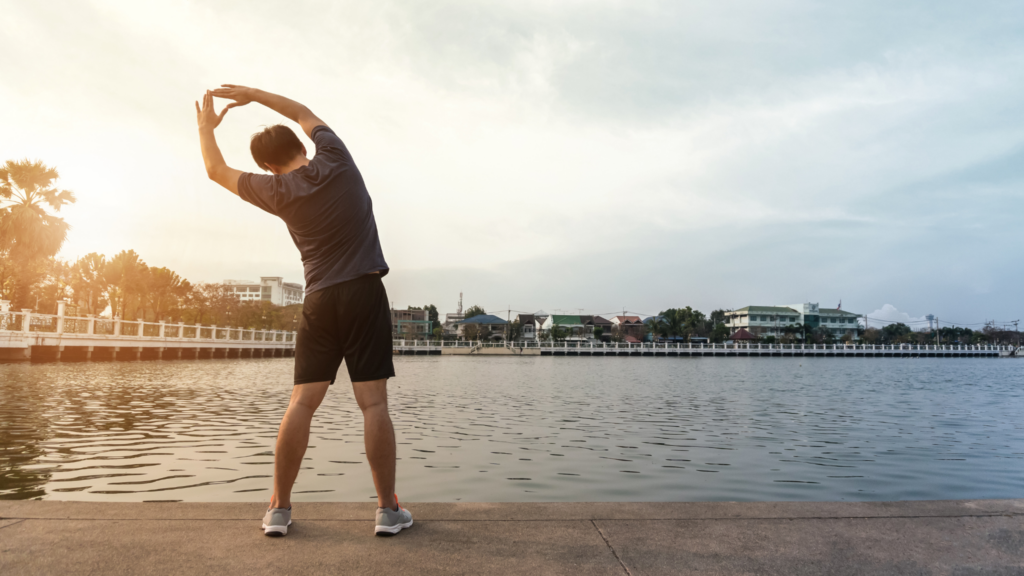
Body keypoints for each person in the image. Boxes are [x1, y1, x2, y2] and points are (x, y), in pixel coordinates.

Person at [195, 86, 412, 538]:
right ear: (301, 145)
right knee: (372, 403)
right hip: (363, 291)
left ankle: (278, 508)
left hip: (319, 300)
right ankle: (387, 511)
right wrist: (252, 95)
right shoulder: (335, 156)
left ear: (268, 166)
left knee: (302, 403)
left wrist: (206, 127)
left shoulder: (274, 190)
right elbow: (301, 110)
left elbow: (214, 170)